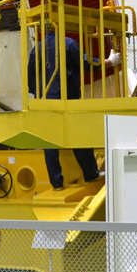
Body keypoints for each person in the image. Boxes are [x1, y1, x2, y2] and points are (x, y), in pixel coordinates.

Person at [25, 31, 101, 189]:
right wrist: (109, 62)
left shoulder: (36, 49)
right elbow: (87, 64)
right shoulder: (68, 44)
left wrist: (40, 95)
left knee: (50, 142)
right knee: (78, 137)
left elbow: (30, 78)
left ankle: (56, 183)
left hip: (44, 102)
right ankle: (91, 174)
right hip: (67, 100)